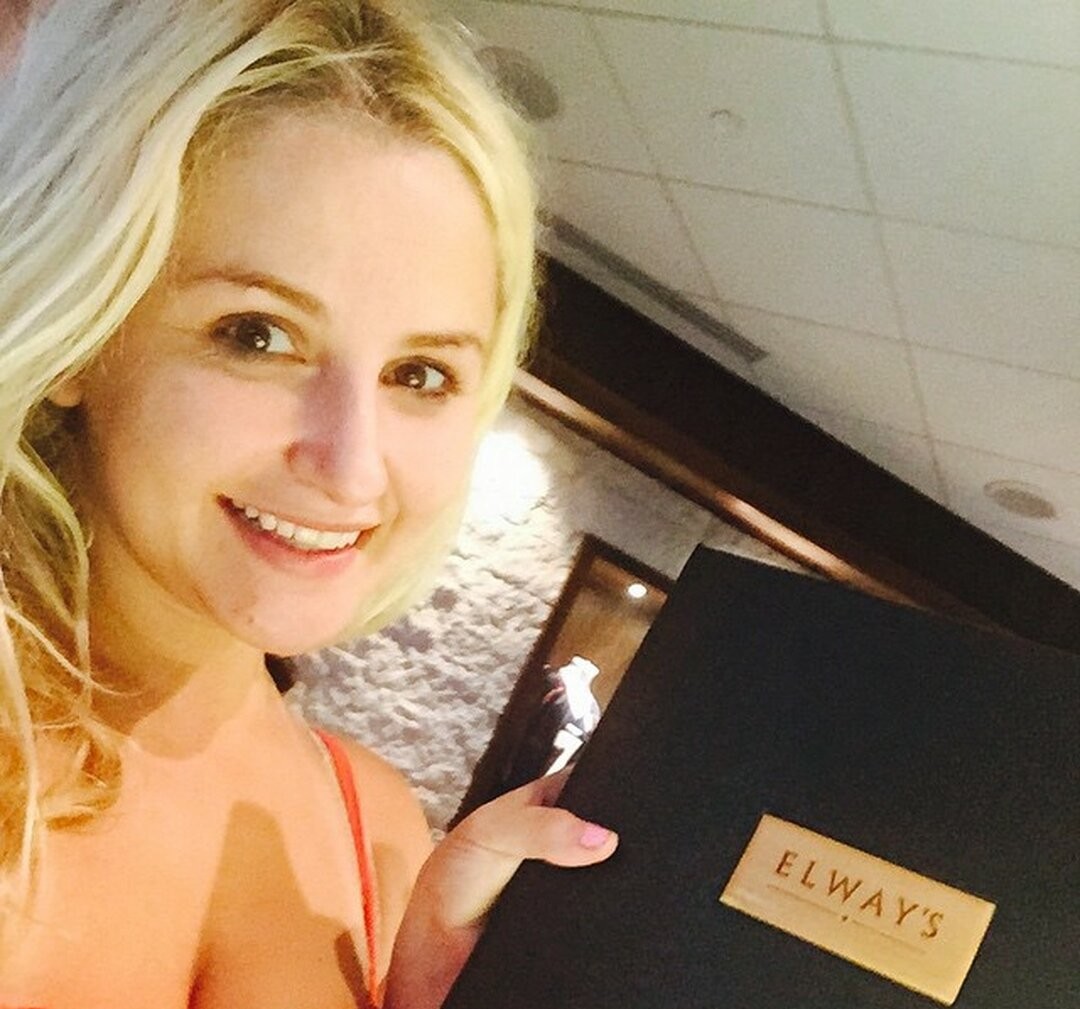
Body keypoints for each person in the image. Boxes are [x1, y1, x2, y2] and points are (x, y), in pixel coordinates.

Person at [0, 2, 617, 1007]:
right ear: (84, 329)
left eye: (420, 374)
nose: (351, 467)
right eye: (257, 334)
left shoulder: (380, 834)